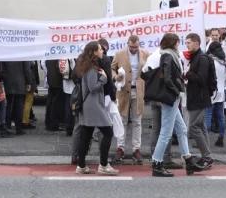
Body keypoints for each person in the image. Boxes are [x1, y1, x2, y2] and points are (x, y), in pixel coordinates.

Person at [143, 33, 204, 177]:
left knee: (182, 129)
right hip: (170, 98)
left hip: (171, 98)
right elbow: (168, 78)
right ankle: (157, 164)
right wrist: (177, 91)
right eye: (178, 42)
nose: (180, 44)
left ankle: (188, 160)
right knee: (166, 132)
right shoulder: (169, 56)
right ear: (174, 43)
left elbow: (148, 73)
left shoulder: (166, 55)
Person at [72, 41, 117, 175]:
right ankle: (103, 165)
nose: (102, 51)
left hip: (90, 105)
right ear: (94, 52)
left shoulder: (87, 65)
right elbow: (93, 87)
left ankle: (81, 166)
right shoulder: (91, 68)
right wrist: (103, 78)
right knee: (108, 132)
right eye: (100, 49)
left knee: (86, 136)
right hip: (94, 105)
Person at [113, 34, 148, 164]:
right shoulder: (119, 54)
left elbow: (149, 69)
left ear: (139, 45)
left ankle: (136, 149)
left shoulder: (145, 53)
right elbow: (112, 68)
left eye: (136, 47)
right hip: (123, 90)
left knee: (137, 120)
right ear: (128, 44)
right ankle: (120, 148)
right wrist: (115, 75)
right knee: (122, 119)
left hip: (138, 90)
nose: (134, 49)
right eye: (131, 47)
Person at [183, 32, 216, 168]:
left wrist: (187, 74)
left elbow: (201, 78)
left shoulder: (201, 58)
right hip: (197, 96)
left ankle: (207, 156)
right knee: (201, 127)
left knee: (194, 128)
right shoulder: (197, 57)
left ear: (197, 43)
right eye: (186, 43)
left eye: (189, 42)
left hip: (199, 97)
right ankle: (207, 156)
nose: (187, 45)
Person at [205, 30, 226, 148]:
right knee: (220, 116)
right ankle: (221, 137)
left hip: (211, 91)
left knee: (208, 114)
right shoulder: (224, 62)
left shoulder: (210, 61)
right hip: (221, 91)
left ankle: (205, 139)